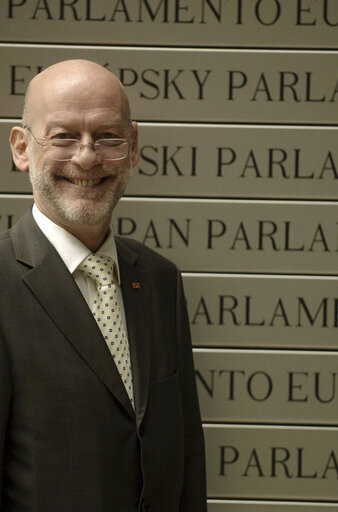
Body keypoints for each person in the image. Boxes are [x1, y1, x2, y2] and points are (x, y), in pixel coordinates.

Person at [0, 59, 207, 512]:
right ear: (20, 148)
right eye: (64, 136)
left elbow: (186, 461)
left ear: (132, 148)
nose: (87, 157)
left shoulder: (159, 280)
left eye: (107, 136)